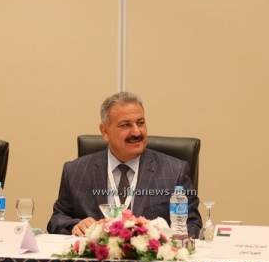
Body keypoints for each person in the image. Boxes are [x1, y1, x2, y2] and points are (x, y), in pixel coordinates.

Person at [47, 91, 202, 237]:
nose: (136, 132)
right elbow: (57, 219)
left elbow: (192, 224)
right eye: (125, 125)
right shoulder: (75, 171)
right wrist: (75, 225)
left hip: (151, 256)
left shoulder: (174, 171)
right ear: (104, 131)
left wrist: (161, 235)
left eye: (140, 123)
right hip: (95, 256)